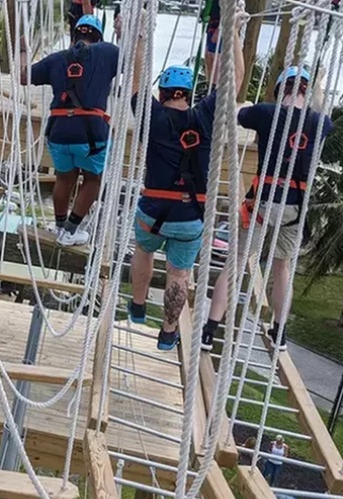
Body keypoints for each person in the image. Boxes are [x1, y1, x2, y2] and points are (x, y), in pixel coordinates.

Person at [126, 10, 245, 350]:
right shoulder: (206, 116)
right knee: (179, 275)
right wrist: (233, 32)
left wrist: (140, 37)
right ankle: (167, 332)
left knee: (144, 251)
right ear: (188, 95)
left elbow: (136, 81)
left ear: (163, 93)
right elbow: (234, 78)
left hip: (153, 211)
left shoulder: (153, 116)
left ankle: (136, 306)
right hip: (192, 216)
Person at [201, 65, 333, 351]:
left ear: (279, 89)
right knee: (282, 268)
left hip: (263, 202)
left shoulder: (266, 113)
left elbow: (239, 114)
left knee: (235, 263)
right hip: (295, 210)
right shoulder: (318, 122)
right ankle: (280, 332)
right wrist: (319, 84)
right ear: (306, 93)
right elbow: (321, 112)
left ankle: (209, 330)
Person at [20, 15, 120, 247]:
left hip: (58, 130)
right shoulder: (108, 52)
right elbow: (138, 64)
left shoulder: (57, 59)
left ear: (74, 36)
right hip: (90, 131)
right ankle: (71, 230)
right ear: (99, 36)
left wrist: (24, 50)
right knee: (94, 179)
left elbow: (24, 76)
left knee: (64, 178)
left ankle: (60, 226)